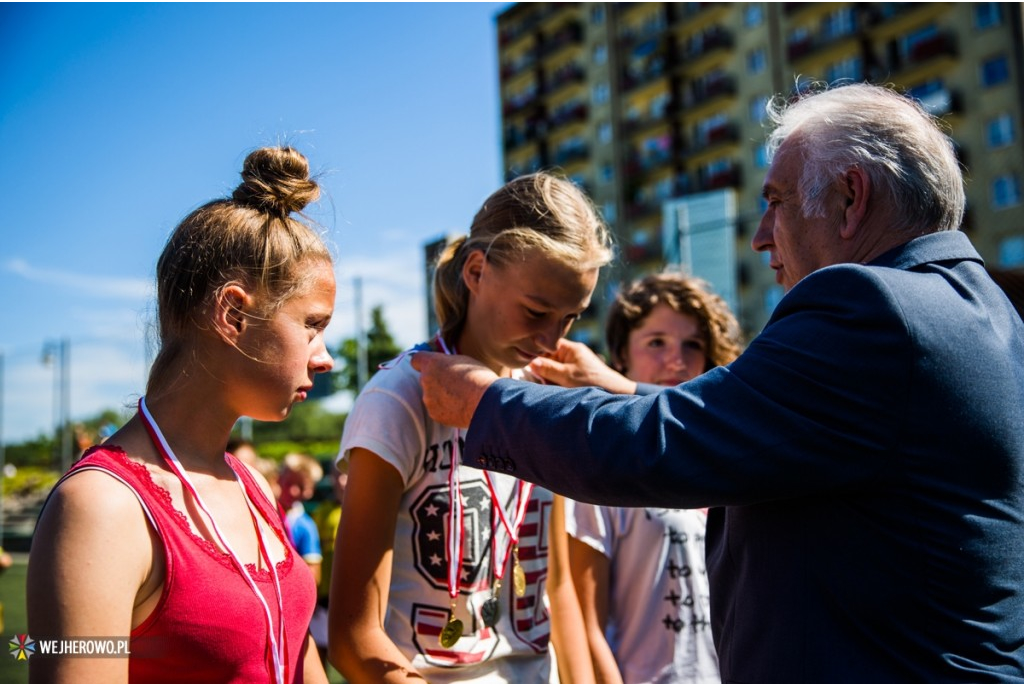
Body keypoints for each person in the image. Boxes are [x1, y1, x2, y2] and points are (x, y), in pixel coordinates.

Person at [411, 82, 1024, 682]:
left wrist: (484, 401)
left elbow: (668, 447)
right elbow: (764, 422)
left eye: (776, 201)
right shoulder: (985, 313)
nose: (760, 235)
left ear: (850, 197)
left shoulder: (872, 308)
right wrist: (622, 389)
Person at [27, 146, 333, 684]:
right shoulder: (100, 508)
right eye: (311, 324)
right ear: (233, 313)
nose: (324, 356)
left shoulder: (252, 485)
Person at [328, 172, 611, 683]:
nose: (551, 340)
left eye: (571, 318)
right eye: (536, 311)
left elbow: (559, 590)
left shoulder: (548, 397)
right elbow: (353, 638)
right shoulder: (398, 399)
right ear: (476, 272)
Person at [566, 273, 740, 684]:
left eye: (692, 345)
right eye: (657, 342)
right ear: (620, 356)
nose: (676, 360)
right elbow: (584, 622)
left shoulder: (731, 465)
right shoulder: (603, 469)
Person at [280, 452, 325, 586]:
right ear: (279, 479)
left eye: (300, 486)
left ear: (310, 490)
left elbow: (313, 574)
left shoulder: (306, 526)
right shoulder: (261, 511)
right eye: (288, 483)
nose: (293, 491)